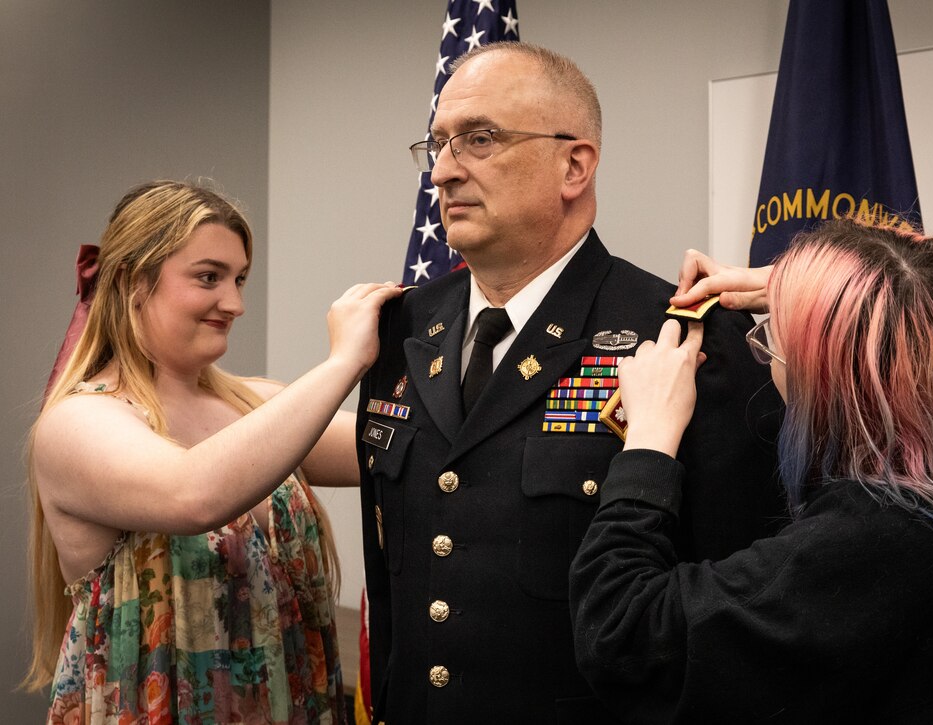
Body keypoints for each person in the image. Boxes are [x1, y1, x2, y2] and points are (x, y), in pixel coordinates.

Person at [355, 42, 784, 724]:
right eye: (435, 144)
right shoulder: (399, 329)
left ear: (574, 165)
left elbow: (733, 609)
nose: (441, 171)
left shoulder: (678, 336)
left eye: (479, 139)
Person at [570, 218, 933, 723]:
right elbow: (932, 305)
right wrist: (817, 287)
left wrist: (650, 442)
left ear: (830, 382)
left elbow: (626, 634)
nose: (767, 351)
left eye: (775, 342)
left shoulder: (879, 536)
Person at [25, 181, 401, 723]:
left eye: (240, 279)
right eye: (209, 277)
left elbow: (404, 449)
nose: (235, 303)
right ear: (134, 280)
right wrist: (344, 363)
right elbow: (193, 496)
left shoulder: (257, 405)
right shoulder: (78, 423)